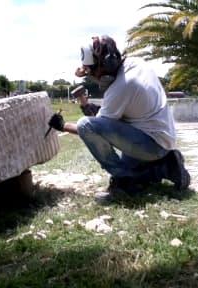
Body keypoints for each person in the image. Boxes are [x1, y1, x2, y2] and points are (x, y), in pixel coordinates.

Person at [48, 35, 190, 197]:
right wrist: (86, 70)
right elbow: (113, 115)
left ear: (105, 64)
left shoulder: (122, 86)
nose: (92, 76)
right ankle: (166, 166)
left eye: (92, 71)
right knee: (133, 170)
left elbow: (93, 128)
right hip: (160, 137)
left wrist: (62, 125)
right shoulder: (136, 64)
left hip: (151, 145)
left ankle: (124, 180)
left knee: (85, 125)